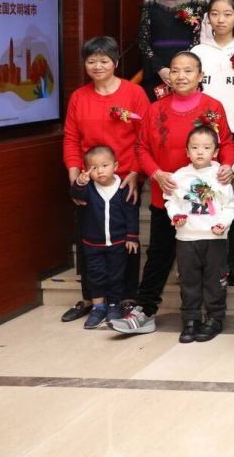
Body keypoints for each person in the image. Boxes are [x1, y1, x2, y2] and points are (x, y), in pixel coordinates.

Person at [112, 52, 234, 335]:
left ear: (200, 76)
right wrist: (155, 173)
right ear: (168, 76)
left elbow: (226, 142)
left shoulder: (213, 106)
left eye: (188, 70)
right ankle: (145, 310)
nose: (181, 76)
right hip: (168, 199)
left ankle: (212, 315)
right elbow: (141, 147)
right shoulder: (156, 109)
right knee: (159, 255)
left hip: (205, 205)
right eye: (176, 70)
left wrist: (227, 164)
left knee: (211, 264)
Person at [61, 37, 149, 323]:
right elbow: (71, 138)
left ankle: (125, 298)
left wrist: (135, 172)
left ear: (116, 62)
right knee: (88, 238)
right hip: (90, 179)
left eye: (104, 60)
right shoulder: (79, 97)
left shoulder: (134, 93)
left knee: (127, 239)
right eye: (91, 61)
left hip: (124, 178)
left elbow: (144, 136)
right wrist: (74, 173)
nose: (97, 66)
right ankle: (91, 298)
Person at [191, 0, 234, 285]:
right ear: (208, 18)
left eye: (227, 14)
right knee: (205, 196)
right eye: (214, 14)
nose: (220, 19)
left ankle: (232, 262)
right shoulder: (198, 52)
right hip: (202, 136)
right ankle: (205, 262)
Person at [165, 126, 234, 343]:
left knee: (215, 281)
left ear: (215, 152)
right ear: (187, 152)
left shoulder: (220, 176)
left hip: (214, 239)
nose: (200, 151)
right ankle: (191, 320)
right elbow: (171, 202)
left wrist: (223, 224)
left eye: (206, 147)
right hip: (187, 239)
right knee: (189, 281)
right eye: (194, 147)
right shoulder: (180, 176)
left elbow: (230, 206)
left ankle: (215, 318)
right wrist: (176, 215)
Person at [69, 146, 139, 329]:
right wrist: (80, 182)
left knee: (116, 276)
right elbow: (75, 194)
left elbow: (131, 214)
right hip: (93, 244)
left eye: (105, 165)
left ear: (115, 166)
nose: (100, 171)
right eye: (94, 168)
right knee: (95, 275)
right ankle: (98, 307)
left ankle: (114, 305)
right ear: (86, 171)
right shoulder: (88, 189)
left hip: (118, 243)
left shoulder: (123, 188)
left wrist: (132, 237)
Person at [138, 0, 208, 100]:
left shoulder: (197, 2)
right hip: (156, 69)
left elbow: (199, 38)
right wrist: (160, 69)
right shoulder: (149, 3)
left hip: (187, 69)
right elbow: (143, 41)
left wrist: (180, 69)